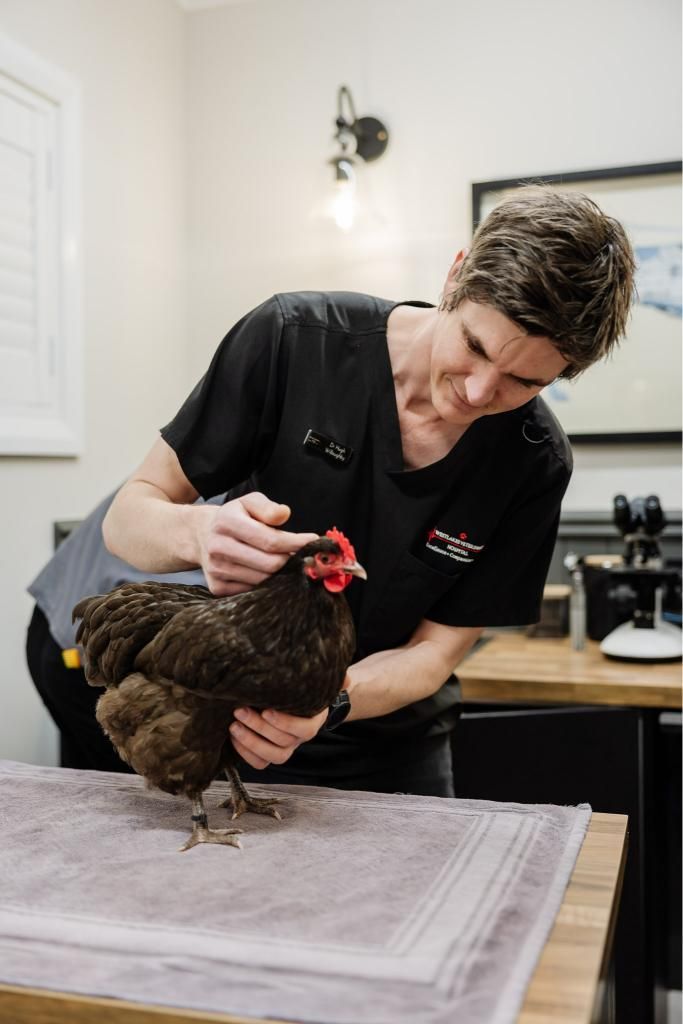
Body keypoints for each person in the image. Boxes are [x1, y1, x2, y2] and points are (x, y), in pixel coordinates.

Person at [86, 186, 637, 795]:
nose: (479, 394)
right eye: (475, 347)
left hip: (391, 749)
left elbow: (433, 654)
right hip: (221, 733)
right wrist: (198, 531)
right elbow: (128, 516)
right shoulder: (292, 340)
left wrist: (327, 704)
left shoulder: (534, 462)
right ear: (456, 277)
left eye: (523, 381)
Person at [26, 490, 225, 771]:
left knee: (90, 787)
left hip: (61, 612)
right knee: (124, 795)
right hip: (88, 651)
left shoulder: (205, 467)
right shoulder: (254, 495)